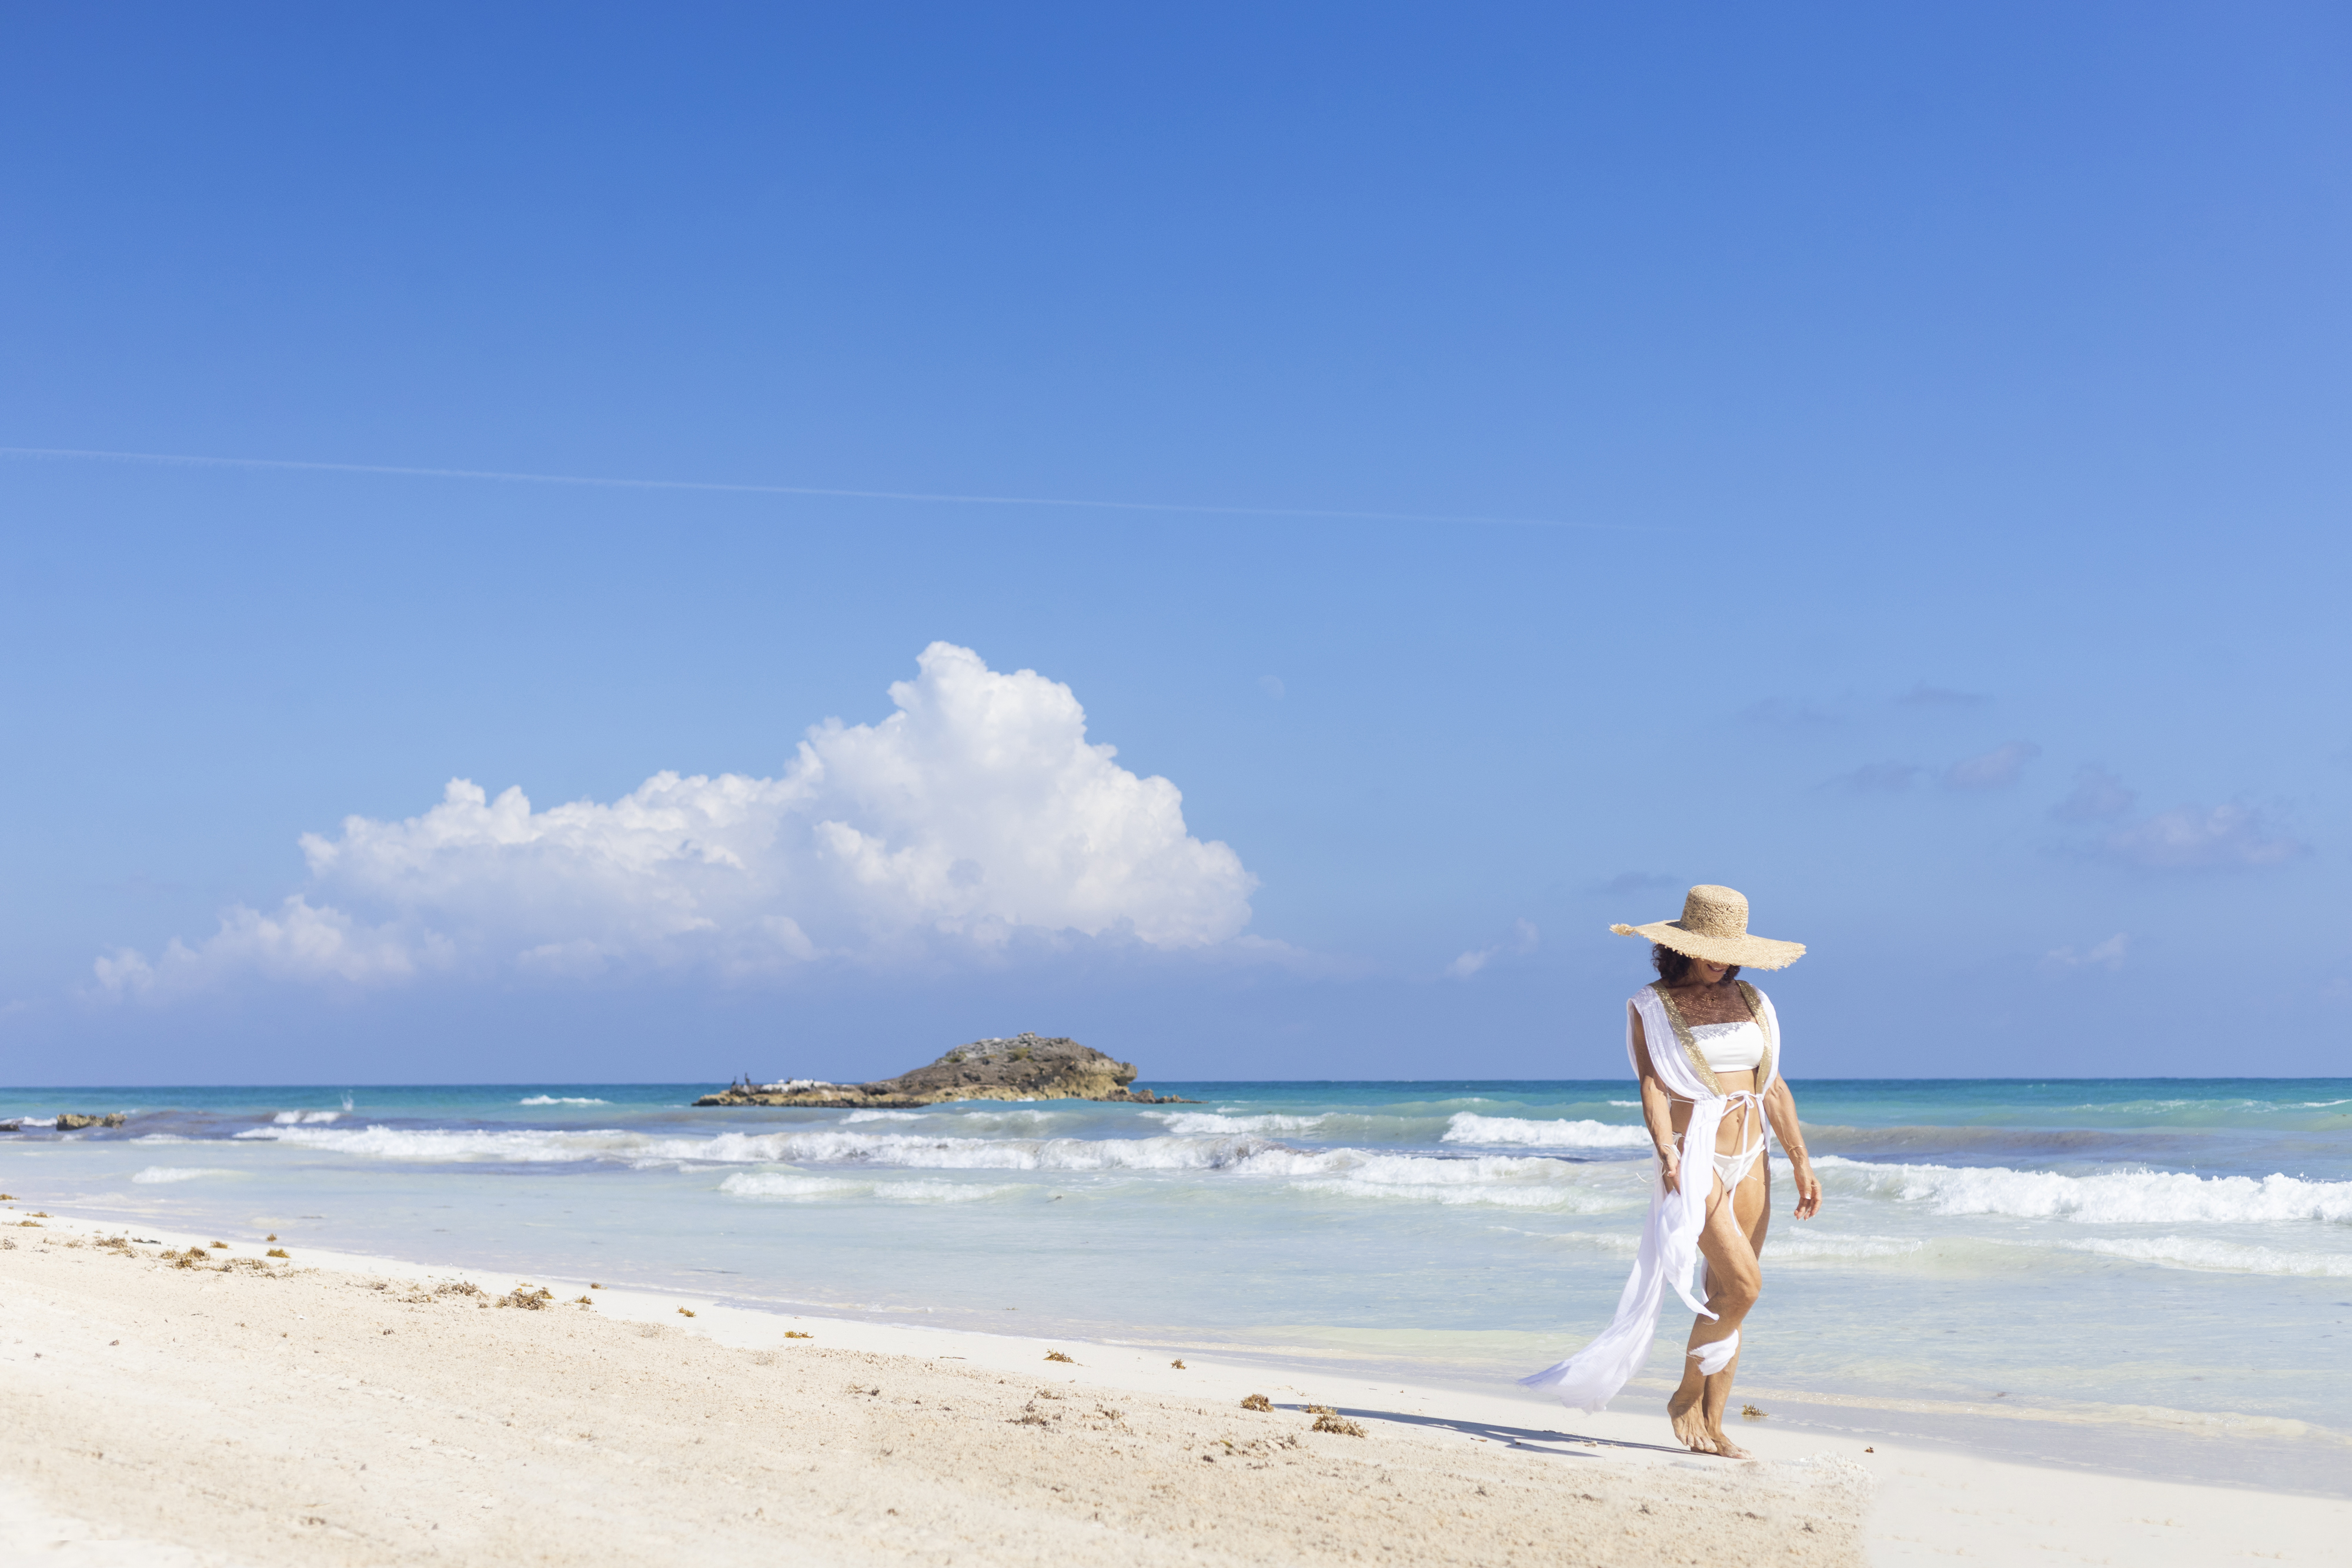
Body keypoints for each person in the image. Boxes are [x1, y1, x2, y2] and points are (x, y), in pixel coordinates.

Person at [1519, 884, 1823, 1458]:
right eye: (1711, 945)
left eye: (1730, 947)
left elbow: (1773, 1085)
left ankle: (1713, 1422)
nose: (1721, 957)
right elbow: (1653, 1084)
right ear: (1681, 944)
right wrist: (1665, 1150)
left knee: (1725, 1295)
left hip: (1752, 1156)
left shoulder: (1755, 1000)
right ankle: (1685, 1395)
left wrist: (1802, 1161)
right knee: (1744, 1286)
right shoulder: (1650, 1005)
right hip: (1695, 1155)